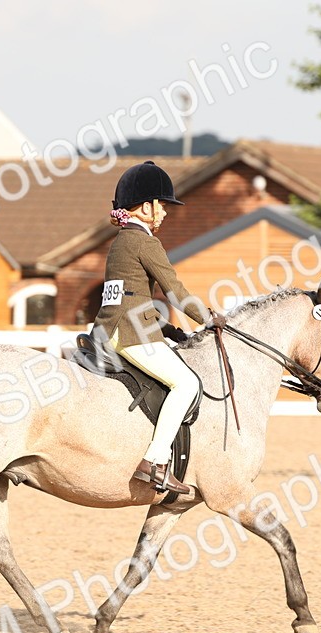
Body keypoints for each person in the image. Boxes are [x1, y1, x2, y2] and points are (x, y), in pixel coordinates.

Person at [92, 160, 225, 495]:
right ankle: (155, 460)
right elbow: (176, 292)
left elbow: (131, 298)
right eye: (162, 206)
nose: (165, 213)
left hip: (114, 329)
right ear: (146, 206)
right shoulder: (144, 242)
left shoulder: (122, 240)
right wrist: (208, 318)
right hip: (131, 334)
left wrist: (167, 330)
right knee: (187, 383)